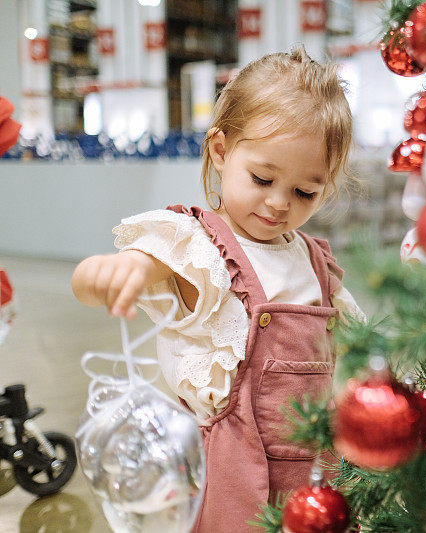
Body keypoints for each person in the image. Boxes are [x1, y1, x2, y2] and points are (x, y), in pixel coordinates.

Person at [71, 46, 365, 532]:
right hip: (230, 477)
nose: (277, 204)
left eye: (304, 192)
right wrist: (105, 273)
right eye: (263, 178)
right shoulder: (199, 247)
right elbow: (140, 266)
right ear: (221, 150)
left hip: (317, 474)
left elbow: (356, 343)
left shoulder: (315, 261)